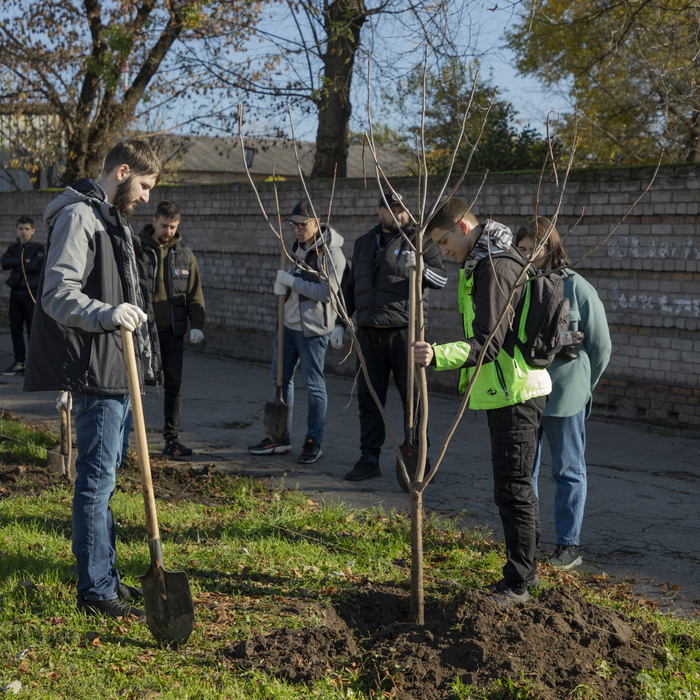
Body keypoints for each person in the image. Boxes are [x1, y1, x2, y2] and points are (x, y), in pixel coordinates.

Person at [23, 139, 163, 620]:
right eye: (144, 185)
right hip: (96, 371)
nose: (146, 197)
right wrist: (107, 314)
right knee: (96, 482)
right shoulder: (79, 216)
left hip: (118, 371)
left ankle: (105, 577)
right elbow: (57, 294)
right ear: (122, 171)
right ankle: (96, 592)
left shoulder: (111, 220)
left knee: (104, 482)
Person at [413, 198, 551, 606]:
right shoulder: (488, 259)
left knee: (512, 489)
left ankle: (518, 584)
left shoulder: (493, 265)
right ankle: (528, 572)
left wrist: (437, 355)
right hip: (510, 389)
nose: (443, 251)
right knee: (515, 486)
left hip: (515, 392)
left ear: (463, 225)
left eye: (443, 241)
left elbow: (487, 342)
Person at [515, 216, 612, 570]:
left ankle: (568, 545)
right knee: (525, 472)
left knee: (568, 472)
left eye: (534, 248)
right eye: (521, 249)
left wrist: (583, 388)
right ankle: (528, 541)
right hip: (525, 393)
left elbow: (600, 347)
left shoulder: (578, 289)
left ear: (551, 247)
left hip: (564, 397)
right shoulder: (517, 285)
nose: (527, 255)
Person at [333, 192, 447, 481]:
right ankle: (369, 457)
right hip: (368, 333)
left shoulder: (421, 243)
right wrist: (339, 322)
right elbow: (351, 285)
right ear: (379, 211)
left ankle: (419, 457)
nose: (398, 215)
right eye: (392, 210)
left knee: (414, 399)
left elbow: (441, 280)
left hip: (405, 333)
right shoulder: (362, 243)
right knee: (369, 399)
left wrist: (420, 267)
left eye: (402, 211)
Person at [248, 201, 346, 464]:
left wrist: (293, 282)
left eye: (303, 224)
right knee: (280, 380)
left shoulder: (331, 254)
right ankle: (279, 436)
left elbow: (327, 293)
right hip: (287, 327)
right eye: (294, 224)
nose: (298, 228)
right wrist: (283, 287)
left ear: (316, 222)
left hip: (312, 331)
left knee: (314, 386)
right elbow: (293, 284)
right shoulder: (294, 248)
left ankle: (314, 441)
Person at [138, 200, 205, 457]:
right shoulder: (137, 250)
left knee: (174, 386)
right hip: (144, 333)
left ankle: (172, 439)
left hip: (173, 333)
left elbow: (194, 292)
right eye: (164, 225)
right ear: (154, 221)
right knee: (137, 384)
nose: (168, 231)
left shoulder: (185, 255)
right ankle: (130, 438)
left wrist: (196, 324)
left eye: (172, 226)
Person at [1, 217, 45, 375]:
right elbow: (4, 263)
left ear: (32, 230)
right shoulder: (13, 247)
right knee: (15, 330)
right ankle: (19, 362)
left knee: (32, 331)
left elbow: (36, 265)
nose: (23, 232)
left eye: (26, 229)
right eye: (20, 228)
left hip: (31, 294)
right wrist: (23, 261)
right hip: (15, 294)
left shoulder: (39, 247)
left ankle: (34, 364)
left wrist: (19, 263)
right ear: (16, 230)